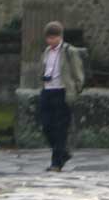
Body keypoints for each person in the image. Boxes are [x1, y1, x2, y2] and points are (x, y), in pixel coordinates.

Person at [36, 20, 85, 171]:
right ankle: (62, 153)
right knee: (46, 125)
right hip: (47, 91)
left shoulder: (70, 51)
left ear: (60, 36)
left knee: (60, 128)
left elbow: (78, 73)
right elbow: (42, 69)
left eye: (53, 37)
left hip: (62, 91)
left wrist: (75, 90)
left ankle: (56, 163)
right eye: (48, 38)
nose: (50, 41)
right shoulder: (46, 52)